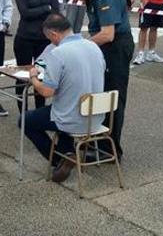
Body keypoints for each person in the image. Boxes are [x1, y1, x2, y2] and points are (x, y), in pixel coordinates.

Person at [57, 0, 133, 160]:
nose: (77, 0)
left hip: (116, 48)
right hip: (104, 47)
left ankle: (111, 149)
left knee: (112, 97)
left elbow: (108, 34)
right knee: (98, 92)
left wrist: (81, 45)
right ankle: (96, 141)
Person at [22, 13, 106, 183]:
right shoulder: (93, 46)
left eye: (50, 38)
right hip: (96, 117)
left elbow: (46, 92)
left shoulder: (58, 53)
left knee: (25, 120)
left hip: (72, 118)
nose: (51, 42)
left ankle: (59, 160)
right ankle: (67, 153)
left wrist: (33, 78)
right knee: (61, 108)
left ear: (54, 34)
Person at [13, 0, 60, 112]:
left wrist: (46, 10)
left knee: (42, 75)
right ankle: (23, 112)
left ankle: (40, 111)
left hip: (44, 37)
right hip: (26, 36)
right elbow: (25, 12)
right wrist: (45, 8)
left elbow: (56, 9)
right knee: (23, 76)